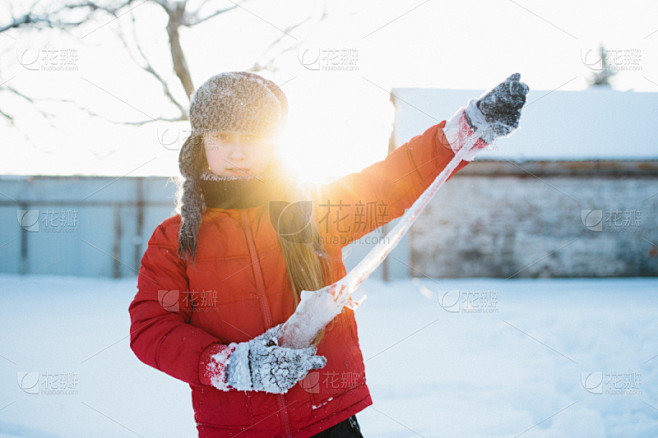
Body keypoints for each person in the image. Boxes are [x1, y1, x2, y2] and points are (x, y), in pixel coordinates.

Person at [128, 71, 529, 437]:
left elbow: (390, 182)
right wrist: (232, 365)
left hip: (327, 417)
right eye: (223, 138)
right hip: (236, 428)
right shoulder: (177, 238)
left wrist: (467, 128)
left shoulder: (315, 211)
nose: (236, 153)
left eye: (250, 139)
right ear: (201, 144)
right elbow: (151, 327)